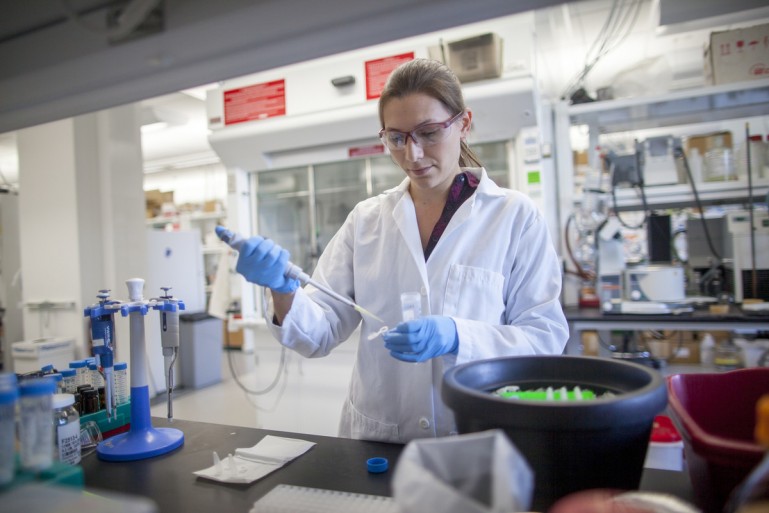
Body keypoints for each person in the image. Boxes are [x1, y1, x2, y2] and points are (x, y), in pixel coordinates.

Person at [231, 58, 568, 443]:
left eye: (428, 133)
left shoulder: (514, 217)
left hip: (476, 436)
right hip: (381, 437)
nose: (413, 154)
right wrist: (282, 288)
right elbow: (319, 332)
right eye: (396, 138)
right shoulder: (366, 221)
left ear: (464, 123)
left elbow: (544, 338)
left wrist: (458, 335)